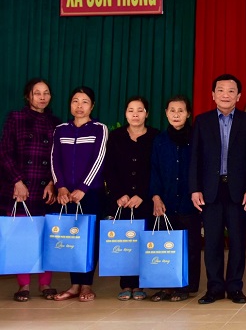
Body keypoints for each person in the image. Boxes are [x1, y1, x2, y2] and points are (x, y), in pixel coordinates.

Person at [189, 74, 246, 304]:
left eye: (231, 91)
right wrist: (195, 189)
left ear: (239, 96)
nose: (225, 95)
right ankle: (214, 288)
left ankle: (235, 287)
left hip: (239, 191)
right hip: (210, 191)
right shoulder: (202, 121)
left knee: (238, 241)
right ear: (213, 95)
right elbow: (195, 158)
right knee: (212, 242)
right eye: (220, 90)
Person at [0, 78, 60, 302]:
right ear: (28, 96)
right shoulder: (16, 118)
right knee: (21, 239)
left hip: (46, 190)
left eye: (46, 93)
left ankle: (45, 284)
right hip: (19, 190)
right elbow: (4, 152)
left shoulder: (56, 123)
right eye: (37, 93)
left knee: (46, 238)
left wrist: (53, 183)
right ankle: (23, 285)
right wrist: (17, 181)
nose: (42, 97)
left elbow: (58, 159)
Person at [51, 86, 108, 302]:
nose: (79, 106)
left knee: (89, 239)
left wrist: (83, 188)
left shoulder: (99, 129)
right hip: (65, 195)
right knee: (70, 238)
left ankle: (86, 285)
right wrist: (61, 187)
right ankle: (74, 285)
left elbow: (99, 159)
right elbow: (55, 160)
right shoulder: (60, 130)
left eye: (85, 102)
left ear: (92, 106)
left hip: (91, 194)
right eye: (75, 101)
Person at [104, 96, 158, 301]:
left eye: (140, 110)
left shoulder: (156, 137)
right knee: (125, 242)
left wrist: (142, 195)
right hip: (123, 201)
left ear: (147, 113)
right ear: (125, 113)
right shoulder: (116, 136)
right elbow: (109, 169)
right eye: (131, 110)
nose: (135, 114)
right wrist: (119, 194)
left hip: (145, 200)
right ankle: (126, 284)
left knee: (143, 242)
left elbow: (157, 170)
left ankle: (141, 284)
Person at [149, 95, 201, 302]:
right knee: (165, 245)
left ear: (188, 114)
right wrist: (155, 197)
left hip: (190, 201)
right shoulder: (160, 140)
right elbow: (154, 170)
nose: (176, 115)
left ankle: (187, 286)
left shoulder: (196, 138)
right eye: (172, 110)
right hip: (166, 201)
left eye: (181, 111)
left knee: (191, 246)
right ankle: (166, 286)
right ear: (166, 113)